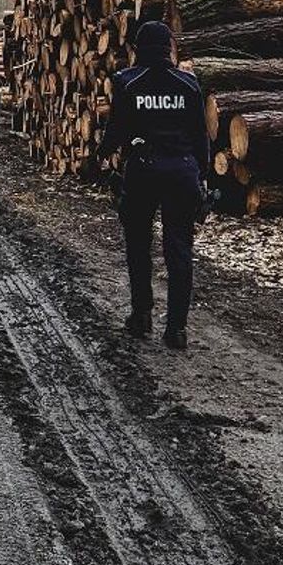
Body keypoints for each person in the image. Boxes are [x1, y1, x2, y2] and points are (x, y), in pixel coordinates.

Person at [98, 21, 208, 349]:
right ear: (169, 49)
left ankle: (141, 315)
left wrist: (102, 155)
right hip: (182, 172)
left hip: (143, 171)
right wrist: (201, 176)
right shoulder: (188, 84)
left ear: (138, 48)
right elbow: (200, 135)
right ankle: (176, 329)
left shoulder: (127, 82)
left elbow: (117, 128)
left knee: (138, 244)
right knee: (179, 249)